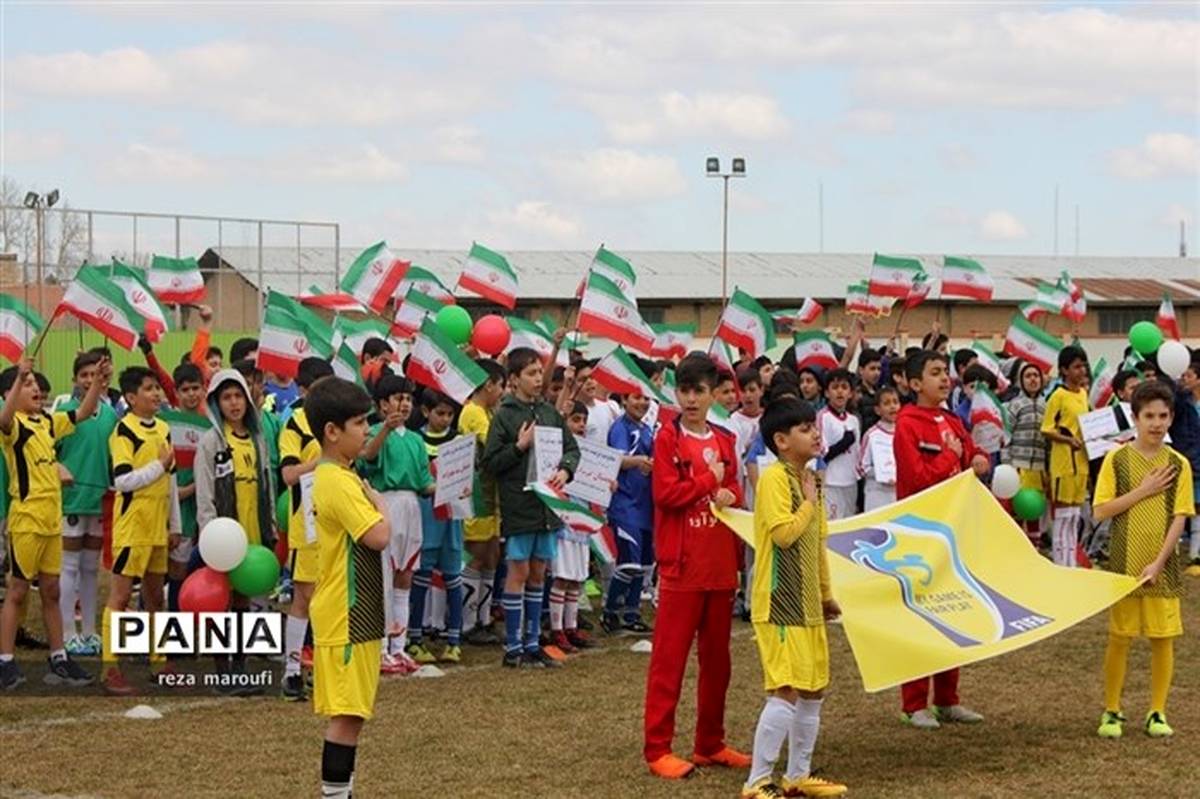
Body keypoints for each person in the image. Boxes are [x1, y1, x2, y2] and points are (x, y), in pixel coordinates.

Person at [643, 354, 749, 779]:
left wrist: (730, 494)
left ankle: (710, 742)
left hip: (720, 566)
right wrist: (711, 482)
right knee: (669, 662)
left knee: (717, 663)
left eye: (699, 391)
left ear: (713, 395)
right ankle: (657, 749)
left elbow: (735, 485)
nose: (690, 399)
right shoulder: (667, 440)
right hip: (682, 567)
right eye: (684, 390)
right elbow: (666, 494)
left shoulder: (724, 438)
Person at [743, 397, 847, 799]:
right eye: (805, 429)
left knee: (814, 687)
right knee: (785, 688)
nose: (816, 434)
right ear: (781, 441)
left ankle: (797, 777)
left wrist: (825, 594)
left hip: (807, 602)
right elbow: (785, 534)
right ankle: (756, 782)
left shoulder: (812, 479)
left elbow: (817, 541)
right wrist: (806, 501)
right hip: (780, 600)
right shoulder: (772, 479)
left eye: (814, 426)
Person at [892, 350, 990, 729]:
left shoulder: (952, 419)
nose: (944, 378)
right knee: (920, 616)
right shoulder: (908, 424)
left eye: (945, 372)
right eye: (934, 373)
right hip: (920, 531)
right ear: (915, 384)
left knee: (953, 611)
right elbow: (916, 477)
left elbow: (971, 451)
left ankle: (948, 699)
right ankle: (913, 702)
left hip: (953, 529)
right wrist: (949, 459)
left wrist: (978, 458)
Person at [1091, 380, 1193, 739]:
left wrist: (1160, 562)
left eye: (1163, 415)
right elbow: (1102, 510)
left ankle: (1157, 712)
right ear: (1134, 417)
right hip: (1124, 563)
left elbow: (1180, 517)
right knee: (1120, 637)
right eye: (1149, 415)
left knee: (1162, 639)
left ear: (1171, 417)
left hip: (1161, 567)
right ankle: (1112, 710)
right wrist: (1144, 490)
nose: (1156, 423)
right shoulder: (1115, 460)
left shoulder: (1178, 464)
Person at [0, 357, 108, 691]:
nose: (35, 389)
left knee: (52, 589)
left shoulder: (47, 422)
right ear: (10, 393)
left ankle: (59, 657)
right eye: (28, 384)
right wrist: (18, 375)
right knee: (18, 590)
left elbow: (84, 412)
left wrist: (96, 384)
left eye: (34, 384)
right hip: (26, 521)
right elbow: (2, 419)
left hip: (50, 520)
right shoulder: (13, 426)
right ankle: (5, 661)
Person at [306, 377, 392, 799]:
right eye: (359, 423)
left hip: (355, 612)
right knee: (347, 715)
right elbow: (377, 536)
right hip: (348, 613)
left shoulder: (340, 474)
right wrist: (381, 508)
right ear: (332, 431)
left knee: (353, 713)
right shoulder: (337, 481)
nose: (366, 431)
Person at [481, 347, 580, 669]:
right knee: (519, 572)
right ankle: (513, 646)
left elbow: (571, 448)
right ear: (513, 379)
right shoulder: (505, 415)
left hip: (547, 507)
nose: (538, 379)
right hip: (519, 505)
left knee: (539, 573)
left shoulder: (550, 413)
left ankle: (534, 642)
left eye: (540, 373)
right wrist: (520, 446)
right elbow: (491, 462)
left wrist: (565, 470)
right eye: (531, 374)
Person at [193, 367, 276, 688]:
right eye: (226, 397)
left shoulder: (257, 439)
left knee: (242, 598)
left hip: (252, 528)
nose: (234, 403)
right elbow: (205, 490)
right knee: (218, 600)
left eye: (238, 395)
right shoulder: (211, 441)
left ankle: (240, 667)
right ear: (216, 403)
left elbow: (266, 480)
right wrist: (208, 530)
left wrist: (269, 525)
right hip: (222, 534)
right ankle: (221, 672)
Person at [100, 367, 180, 695]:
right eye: (149, 389)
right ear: (131, 398)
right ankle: (110, 668)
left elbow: (171, 478)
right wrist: (157, 467)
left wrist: (174, 524)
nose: (157, 394)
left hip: (157, 527)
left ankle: (159, 660)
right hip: (132, 527)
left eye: (157, 388)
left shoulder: (163, 428)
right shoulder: (123, 432)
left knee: (154, 597)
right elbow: (122, 481)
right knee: (120, 597)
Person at [360, 374, 433, 675]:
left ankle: (398, 647)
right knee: (384, 576)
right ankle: (378, 649)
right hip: (384, 502)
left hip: (411, 506)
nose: (403, 405)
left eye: (407, 399)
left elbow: (424, 482)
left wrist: (451, 487)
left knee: (405, 576)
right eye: (397, 399)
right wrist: (385, 431)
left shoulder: (416, 440)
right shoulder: (373, 432)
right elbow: (367, 458)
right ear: (381, 404)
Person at [277, 357, 335, 700]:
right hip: (307, 525)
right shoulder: (295, 425)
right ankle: (293, 671)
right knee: (306, 597)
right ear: (303, 391)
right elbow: (287, 475)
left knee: (332, 598)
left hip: (336, 523)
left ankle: (322, 669)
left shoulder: (337, 423)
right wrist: (319, 463)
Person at [55, 351, 119, 657]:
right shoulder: (64, 413)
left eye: (97, 375)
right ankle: (68, 633)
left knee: (91, 569)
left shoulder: (109, 415)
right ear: (75, 380)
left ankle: (90, 632)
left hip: (99, 498)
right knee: (69, 567)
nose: (91, 380)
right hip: (71, 500)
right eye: (84, 375)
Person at [407, 390, 467, 664]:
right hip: (425, 518)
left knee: (454, 578)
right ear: (425, 411)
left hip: (452, 519)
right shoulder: (415, 440)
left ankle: (454, 640)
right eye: (439, 413)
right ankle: (415, 638)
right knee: (421, 578)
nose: (445, 419)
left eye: (449, 414)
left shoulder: (458, 441)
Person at [458, 359, 505, 644]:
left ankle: (484, 619)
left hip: (490, 495)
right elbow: (493, 446)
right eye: (501, 386)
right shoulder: (473, 412)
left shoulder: (484, 411)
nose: (502, 392)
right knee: (476, 556)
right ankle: (467, 622)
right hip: (476, 495)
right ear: (488, 385)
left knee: (491, 555)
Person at [603, 389, 655, 635]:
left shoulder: (647, 429)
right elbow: (616, 460)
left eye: (646, 398)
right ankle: (610, 612)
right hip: (624, 505)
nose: (642, 403)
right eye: (636, 397)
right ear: (624, 400)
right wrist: (639, 461)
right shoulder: (620, 427)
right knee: (629, 563)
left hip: (646, 506)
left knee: (644, 565)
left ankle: (632, 614)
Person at [548, 401, 597, 653]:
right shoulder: (557, 449)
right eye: (575, 419)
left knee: (577, 578)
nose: (581, 425)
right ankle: (556, 629)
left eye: (583, 420)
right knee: (563, 577)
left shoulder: (588, 451)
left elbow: (595, 481)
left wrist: (605, 486)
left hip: (582, 522)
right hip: (564, 519)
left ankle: (571, 626)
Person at [164, 363, 209, 614]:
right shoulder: (165, 422)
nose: (191, 394)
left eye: (196, 388)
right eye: (185, 389)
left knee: (182, 569)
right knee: (164, 570)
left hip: (196, 507)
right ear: (177, 392)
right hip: (170, 505)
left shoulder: (210, 426)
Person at [1041, 345, 1091, 567]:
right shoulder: (1057, 396)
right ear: (1064, 370)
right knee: (1062, 516)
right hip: (1063, 462)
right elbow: (1047, 428)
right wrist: (1068, 440)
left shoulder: (1083, 394)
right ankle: (1061, 562)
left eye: (1083, 366)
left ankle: (1071, 560)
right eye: (1076, 367)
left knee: (1074, 515)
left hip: (1081, 462)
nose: (1081, 371)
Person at [1003, 362, 1049, 547]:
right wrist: (1008, 465)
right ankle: (1015, 548)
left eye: (1036, 376)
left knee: (1034, 511)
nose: (1032, 379)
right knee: (1017, 510)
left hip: (1038, 468)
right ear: (1021, 381)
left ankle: (1034, 549)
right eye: (1028, 376)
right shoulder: (1014, 405)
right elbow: (1005, 435)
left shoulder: (1047, 406)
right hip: (1018, 465)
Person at [817, 369, 861, 521]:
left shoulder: (853, 420)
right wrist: (842, 444)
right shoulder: (823, 417)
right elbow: (822, 453)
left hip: (850, 481)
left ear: (850, 393)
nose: (840, 392)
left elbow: (857, 452)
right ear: (827, 393)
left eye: (844, 387)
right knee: (833, 525)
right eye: (835, 387)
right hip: (831, 481)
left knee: (848, 523)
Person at [858, 386, 900, 512]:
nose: (892, 406)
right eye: (887, 403)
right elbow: (861, 467)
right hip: (877, 494)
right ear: (877, 410)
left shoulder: (904, 432)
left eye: (895, 402)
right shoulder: (871, 435)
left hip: (898, 493)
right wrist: (882, 474)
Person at [857, 348, 883, 432]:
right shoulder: (855, 394)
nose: (877, 373)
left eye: (879, 369)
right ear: (861, 370)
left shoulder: (881, 393)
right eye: (872, 369)